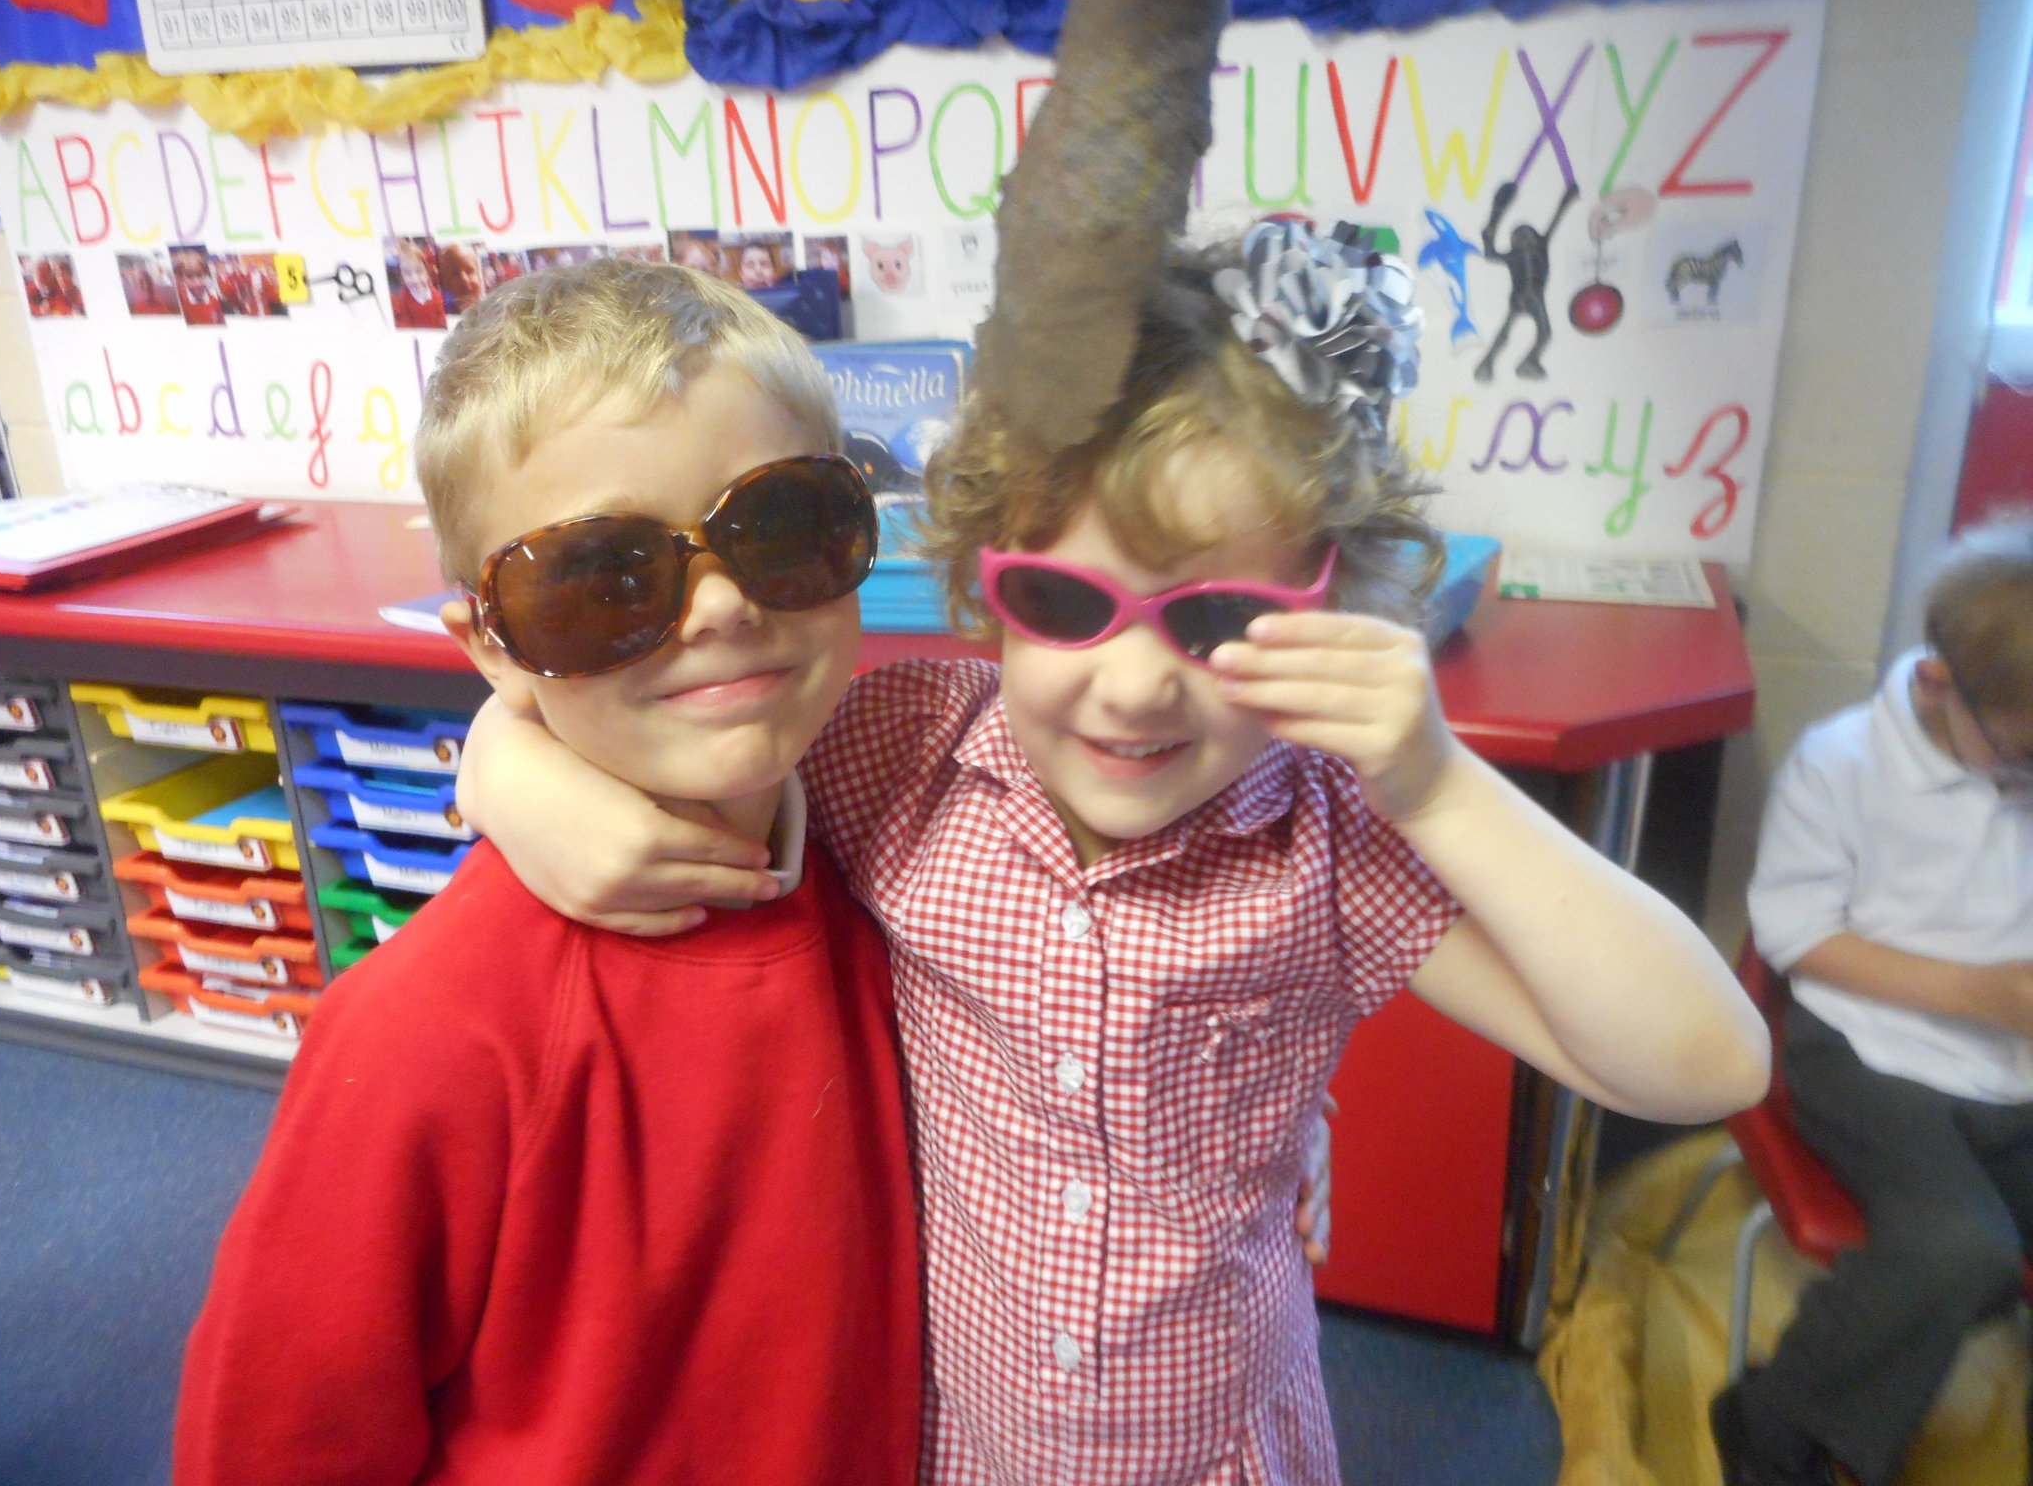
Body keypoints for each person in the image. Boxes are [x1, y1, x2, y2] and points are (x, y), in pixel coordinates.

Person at [456, 234, 1770, 1482]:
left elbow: (1702, 1060)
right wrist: (500, 769)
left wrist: (1436, 780)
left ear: (1330, 607)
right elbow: (657, 712)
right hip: (961, 1442)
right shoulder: (899, 750)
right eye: (1068, 605)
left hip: (1216, 1454)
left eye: (1224, 618)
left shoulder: (1325, 843)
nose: (1135, 688)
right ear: (988, 586)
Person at [173, 259, 922, 1486]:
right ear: (490, 643)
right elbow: (273, 1438)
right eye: (602, 579)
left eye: (781, 525)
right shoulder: (430, 1033)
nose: (723, 605)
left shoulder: (898, 845)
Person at [1714, 517, 2033, 1486]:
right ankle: (1768, 1426)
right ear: (1937, 683)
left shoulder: (2007, 739)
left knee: (1960, 1253)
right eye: (2017, 758)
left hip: (2001, 1066)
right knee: (1955, 1253)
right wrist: (1976, 992)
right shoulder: (1841, 761)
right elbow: (1798, 937)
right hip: (1858, 1050)